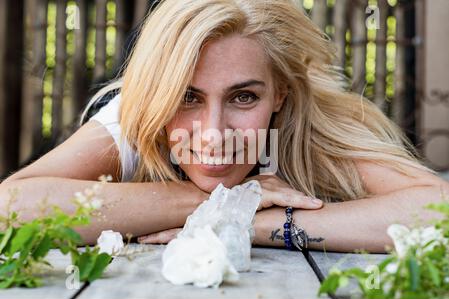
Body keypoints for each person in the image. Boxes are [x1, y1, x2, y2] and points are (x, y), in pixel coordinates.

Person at [1, 0, 448, 253]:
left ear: (281, 95)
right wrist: (207, 201)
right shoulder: (133, 119)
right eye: (187, 97)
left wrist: (249, 223)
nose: (214, 133)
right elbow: (9, 208)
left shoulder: (313, 123)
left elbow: (439, 211)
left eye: (243, 97)